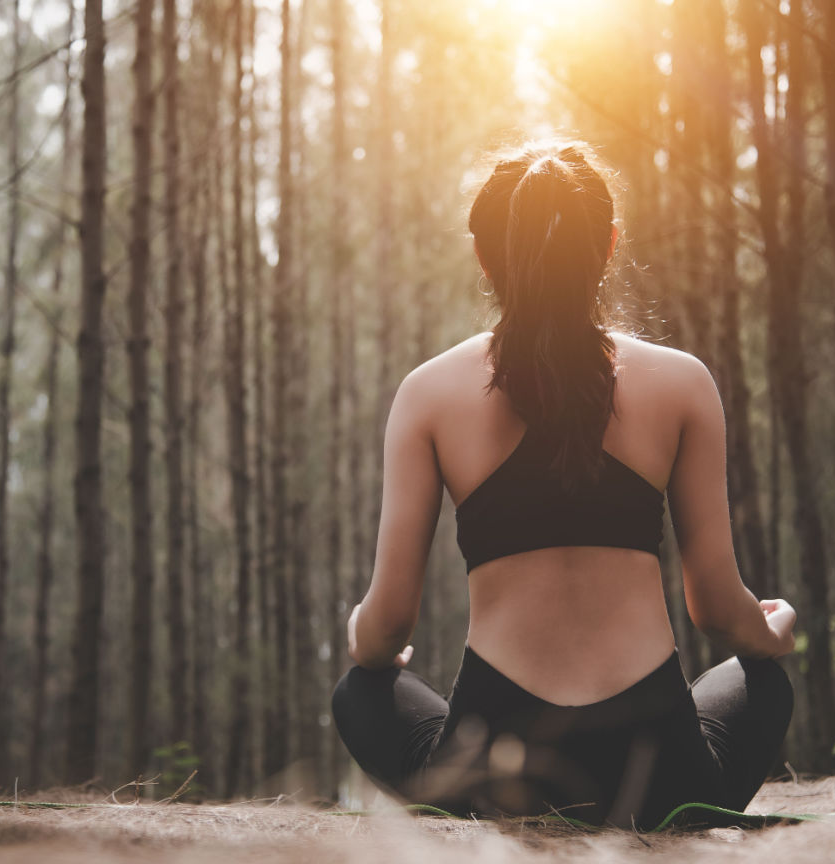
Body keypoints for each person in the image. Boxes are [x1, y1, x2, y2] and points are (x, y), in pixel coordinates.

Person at [330, 140, 795, 830]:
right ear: (607, 247)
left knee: (359, 693)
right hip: (661, 769)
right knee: (763, 681)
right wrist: (770, 631)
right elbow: (717, 611)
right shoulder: (682, 382)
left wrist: (363, 638)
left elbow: (388, 623)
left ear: (486, 258)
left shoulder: (428, 393)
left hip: (494, 766)